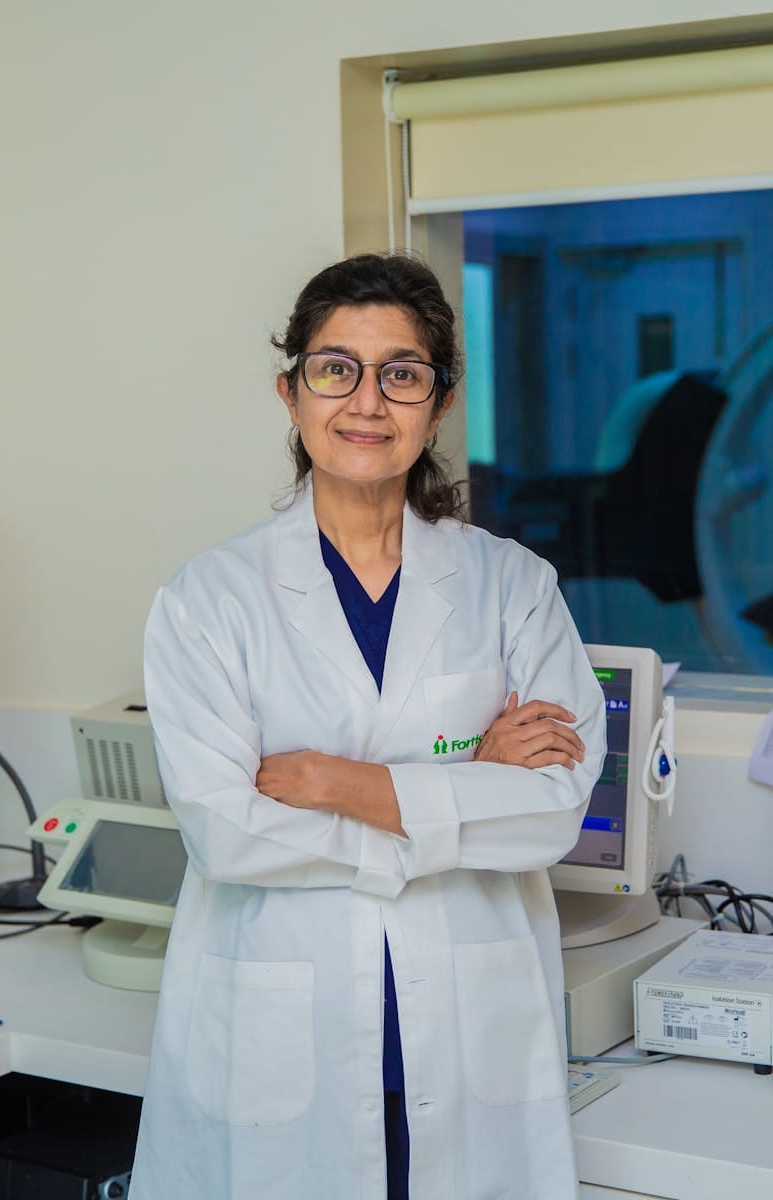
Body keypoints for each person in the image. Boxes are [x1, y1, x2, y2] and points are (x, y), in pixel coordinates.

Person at [128, 252, 606, 1200]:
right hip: (283, 1031)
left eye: (402, 374)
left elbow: (553, 810)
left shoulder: (512, 585)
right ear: (291, 391)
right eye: (335, 368)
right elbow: (226, 833)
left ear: (440, 403)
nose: (367, 402)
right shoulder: (208, 600)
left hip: (470, 1030)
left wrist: (341, 783)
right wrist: (465, 787)